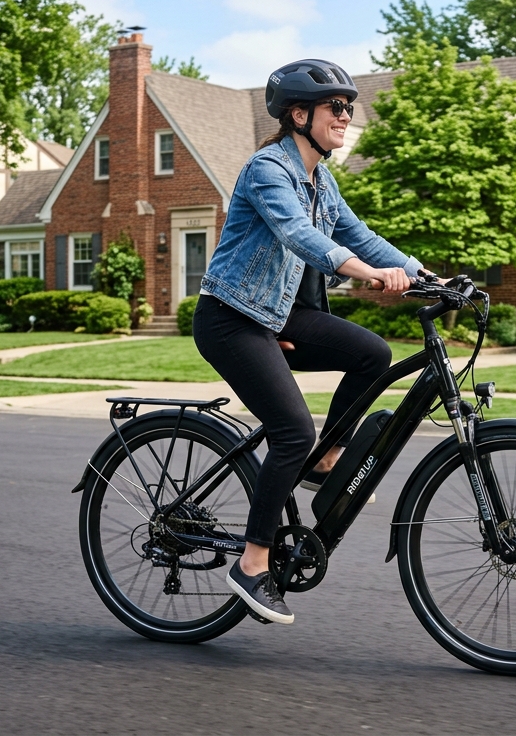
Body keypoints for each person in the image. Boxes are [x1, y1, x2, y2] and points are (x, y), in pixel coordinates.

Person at [194, 59, 424, 625]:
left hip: (280, 316)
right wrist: (367, 275)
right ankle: (251, 564)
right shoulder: (267, 170)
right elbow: (299, 236)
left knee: (372, 354)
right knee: (291, 431)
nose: (346, 116)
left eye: (349, 107)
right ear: (299, 115)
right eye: (336, 108)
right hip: (232, 318)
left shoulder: (323, 179)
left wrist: (425, 275)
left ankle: (326, 457)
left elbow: (357, 233)